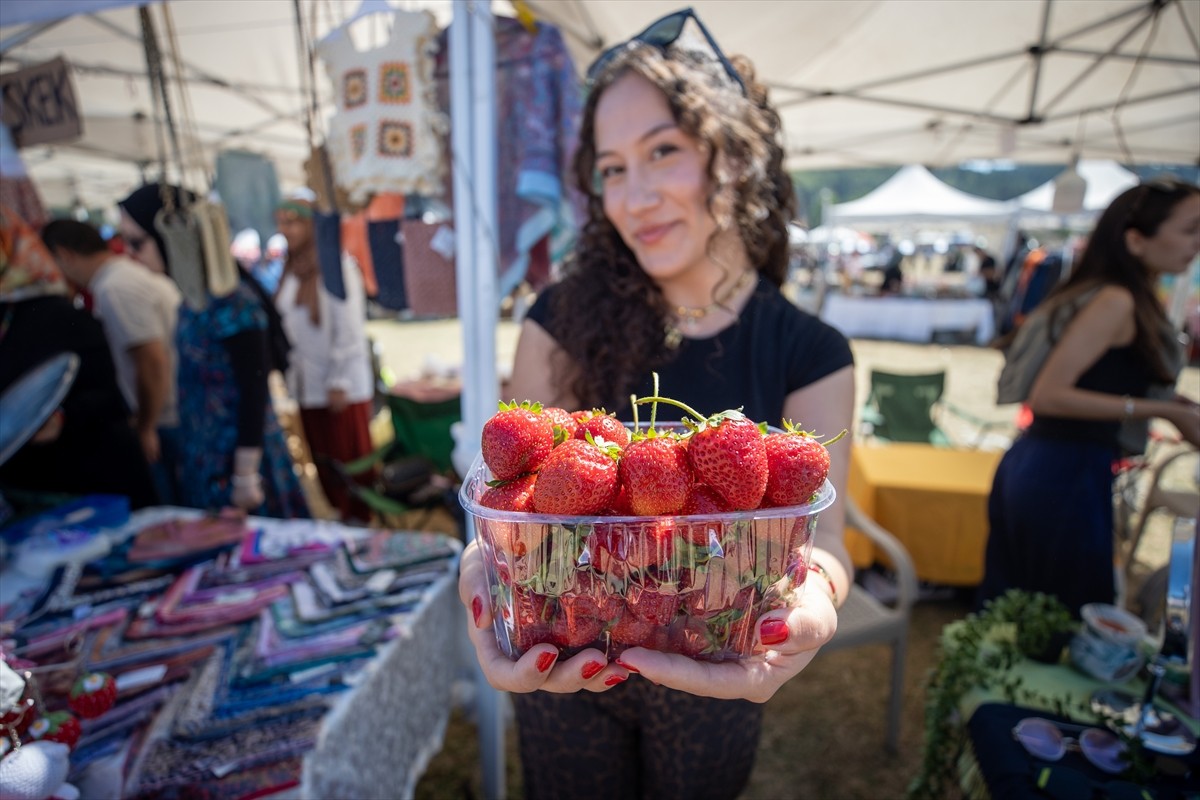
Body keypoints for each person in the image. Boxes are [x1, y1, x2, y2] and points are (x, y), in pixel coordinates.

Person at [456, 9, 855, 799]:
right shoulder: (560, 318)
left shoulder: (810, 348)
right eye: (610, 168)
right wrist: (485, 564)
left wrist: (813, 599)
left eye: (663, 151)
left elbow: (824, 537)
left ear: (736, 155)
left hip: (718, 648)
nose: (633, 196)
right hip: (568, 650)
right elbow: (515, 499)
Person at [979, 178, 1200, 616]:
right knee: (1061, 619)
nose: (1196, 243)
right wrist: (1160, 410)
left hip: (1053, 468)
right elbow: (1048, 396)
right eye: (1190, 228)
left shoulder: (1118, 295)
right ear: (1136, 239)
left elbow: (1101, 381)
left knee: (1020, 615)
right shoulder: (1116, 300)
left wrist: (1172, 404)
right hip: (1063, 473)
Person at [117, 184, 309, 518]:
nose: (131, 255)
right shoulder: (196, 297)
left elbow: (254, 387)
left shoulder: (231, 301)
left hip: (238, 462)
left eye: (137, 242)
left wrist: (245, 473)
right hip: (208, 454)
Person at [0, 206, 158, 509]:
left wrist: (64, 417)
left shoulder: (60, 314)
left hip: (91, 485)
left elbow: (121, 386)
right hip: (24, 493)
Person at [40, 218, 183, 504]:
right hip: (169, 415)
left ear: (64, 255)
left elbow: (152, 361)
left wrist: (146, 425)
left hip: (166, 420)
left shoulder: (115, 287)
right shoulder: (122, 277)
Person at [273, 192, 376, 523]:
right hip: (308, 384)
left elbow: (349, 328)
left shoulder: (339, 267)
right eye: (282, 224)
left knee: (350, 461)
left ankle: (359, 521)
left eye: (293, 222)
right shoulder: (290, 272)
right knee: (324, 459)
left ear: (311, 225)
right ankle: (339, 515)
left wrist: (339, 380)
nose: (286, 230)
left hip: (339, 387)